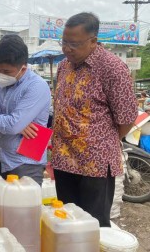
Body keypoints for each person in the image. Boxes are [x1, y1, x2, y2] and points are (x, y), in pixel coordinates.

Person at [51, 12, 138, 227]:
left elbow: (127, 117)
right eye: (64, 42)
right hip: (64, 158)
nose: (67, 48)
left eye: (74, 44)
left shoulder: (112, 68)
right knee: (67, 222)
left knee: (93, 225)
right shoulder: (64, 66)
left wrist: (102, 141)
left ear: (93, 42)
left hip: (95, 163)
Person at [0, 34, 51, 185]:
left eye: (6, 71)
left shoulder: (37, 86)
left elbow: (9, 124)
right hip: (1, 154)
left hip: (26, 161)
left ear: (23, 67)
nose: (1, 74)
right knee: (4, 204)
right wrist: (14, 123)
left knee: (24, 206)